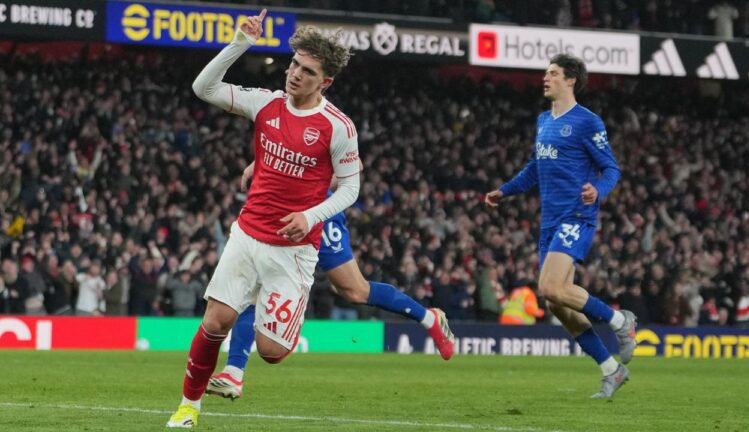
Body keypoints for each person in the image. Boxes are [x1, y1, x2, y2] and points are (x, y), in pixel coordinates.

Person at [167, 10, 362, 427]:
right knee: (215, 322)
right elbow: (203, 88)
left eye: (307, 72)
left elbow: (350, 189)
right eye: (294, 65)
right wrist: (241, 41)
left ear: (325, 82)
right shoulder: (266, 103)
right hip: (247, 235)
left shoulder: (338, 127)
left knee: (271, 352)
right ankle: (188, 408)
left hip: (293, 250)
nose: (295, 75)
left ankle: (280, 310)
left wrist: (309, 215)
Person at [205, 163, 456, 400]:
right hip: (279, 203)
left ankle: (429, 318)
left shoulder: (333, 131)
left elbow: (354, 165)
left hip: (317, 212)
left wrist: (318, 179)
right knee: (256, 285)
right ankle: (233, 372)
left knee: (354, 290)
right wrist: (257, 163)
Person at [485, 53, 636, 399]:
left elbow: (611, 169)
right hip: (550, 221)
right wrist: (505, 191)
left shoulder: (587, 121)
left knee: (551, 287)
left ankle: (620, 321)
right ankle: (611, 369)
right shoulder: (543, 120)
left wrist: (598, 190)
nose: (546, 78)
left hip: (577, 215)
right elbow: (534, 168)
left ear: (571, 80)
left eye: (553, 73)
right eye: (546, 73)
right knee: (556, 303)